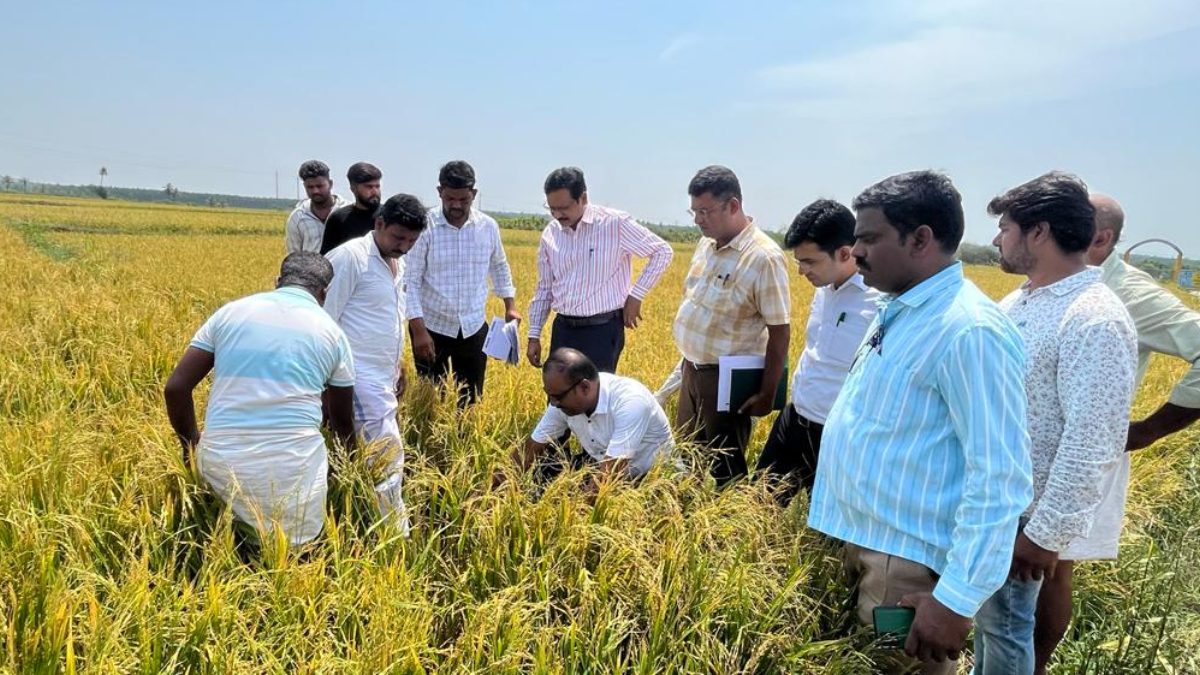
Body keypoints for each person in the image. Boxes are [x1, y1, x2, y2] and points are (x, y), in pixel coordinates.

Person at [807, 170, 1033, 674]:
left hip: (905, 570)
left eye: (868, 237)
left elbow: (1000, 479)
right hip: (867, 542)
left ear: (921, 239)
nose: (855, 250)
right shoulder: (900, 309)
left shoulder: (969, 330)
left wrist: (954, 600)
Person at [985, 172, 1137, 674]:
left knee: (1009, 631)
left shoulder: (1094, 317)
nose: (997, 240)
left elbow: (1093, 442)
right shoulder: (1022, 302)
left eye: (1005, 228)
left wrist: (1046, 535)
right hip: (996, 506)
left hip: (1027, 520)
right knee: (992, 627)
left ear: (1039, 232)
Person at [163, 252, 356, 546]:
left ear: (277, 282)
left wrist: (191, 446)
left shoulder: (230, 313)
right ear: (324, 293)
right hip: (295, 477)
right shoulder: (333, 334)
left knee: (218, 553)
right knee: (292, 564)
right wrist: (350, 471)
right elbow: (343, 423)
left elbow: (176, 388)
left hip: (222, 469)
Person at [754, 199, 880, 504]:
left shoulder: (877, 303)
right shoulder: (823, 290)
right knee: (754, 504)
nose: (801, 271)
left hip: (836, 436)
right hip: (795, 417)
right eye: (799, 261)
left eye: (809, 262)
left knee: (823, 533)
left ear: (845, 253)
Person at [672, 165, 791, 486]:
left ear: (733, 206)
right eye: (694, 211)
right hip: (692, 370)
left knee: (725, 466)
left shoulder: (764, 257)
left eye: (705, 211)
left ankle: (728, 527)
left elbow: (780, 331)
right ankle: (690, 517)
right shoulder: (706, 244)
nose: (698, 220)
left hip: (726, 379)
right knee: (687, 456)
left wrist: (767, 392)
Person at [324, 194, 428, 531]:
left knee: (360, 455)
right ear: (379, 223)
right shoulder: (349, 258)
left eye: (412, 241)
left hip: (382, 375)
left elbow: (389, 318)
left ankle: (355, 517)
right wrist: (328, 386)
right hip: (355, 374)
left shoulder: (398, 262)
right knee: (387, 455)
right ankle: (395, 535)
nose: (404, 246)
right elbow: (324, 323)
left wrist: (398, 367)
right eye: (399, 237)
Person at [526, 166, 673, 373]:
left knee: (596, 398)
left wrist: (636, 295)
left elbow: (662, 252)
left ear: (583, 198)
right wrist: (534, 334)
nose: (557, 215)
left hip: (602, 330)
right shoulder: (551, 234)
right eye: (552, 209)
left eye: (564, 208)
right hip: (564, 329)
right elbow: (544, 288)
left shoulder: (614, 224)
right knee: (559, 398)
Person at [1086, 194, 1200, 450]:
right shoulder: (1047, 285)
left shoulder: (1129, 293)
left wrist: (1148, 431)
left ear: (1101, 239)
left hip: (1089, 465)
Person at [406, 160, 518, 405]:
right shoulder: (425, 226)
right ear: (439, 192)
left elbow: (499, 265)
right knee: (431, 398)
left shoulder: (487, 226)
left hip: (473, 326)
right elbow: (410, 281)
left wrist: (510, 305)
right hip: (432, 327)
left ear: (474, 194)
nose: (456, 205)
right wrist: (419, 331)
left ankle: (464, 438)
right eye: (449, 199)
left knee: (471, 397)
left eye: (463, 200)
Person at [512, 348, 673, 486]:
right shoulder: (561, 399)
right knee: (546, 473)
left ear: (584, 387)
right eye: (549, 396)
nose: (553, 404)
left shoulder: (631, 401)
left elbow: (608, 476)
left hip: (652, 479)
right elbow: (529, 451)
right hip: (603, 468)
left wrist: (568, 519)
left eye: (558, 397)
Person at [285, 160, 349, 253]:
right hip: (310, 267)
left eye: (320, 186)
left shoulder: (348, 210)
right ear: (304, 186)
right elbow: (294, 255)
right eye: (310, 187)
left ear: (330, 184)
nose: (315, 191)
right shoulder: (297, 217)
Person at [320, 162, 383, 254]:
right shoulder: (338, 219)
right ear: (353, 188)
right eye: (369, 187)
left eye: (377, 186)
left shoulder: (389, 216)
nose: (374, 191)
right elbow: (327, 256)